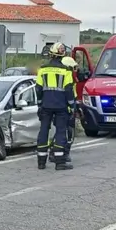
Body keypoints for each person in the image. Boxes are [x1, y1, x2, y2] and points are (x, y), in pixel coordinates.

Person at [35, 43, 76, 171]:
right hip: (61, 106)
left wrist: (40, 104)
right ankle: (60, 163)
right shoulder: (66, 71)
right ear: (62, 55)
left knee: (43, 131)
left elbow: (38, 89)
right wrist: (72, 105)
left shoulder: (42, 69)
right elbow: (68, 90)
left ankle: (41, 162)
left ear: (51, 54)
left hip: (46, 105)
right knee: (60, 132)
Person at [49, 56, 79, 163]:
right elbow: (68, 94)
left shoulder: (67, 78)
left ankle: (56, 153)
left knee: (62, 132)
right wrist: (72, 107)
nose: (74, 70)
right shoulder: (66, 78)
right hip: (65, 110)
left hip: (62, 108)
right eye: (72, 68)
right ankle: (61, 153)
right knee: (66, 133)